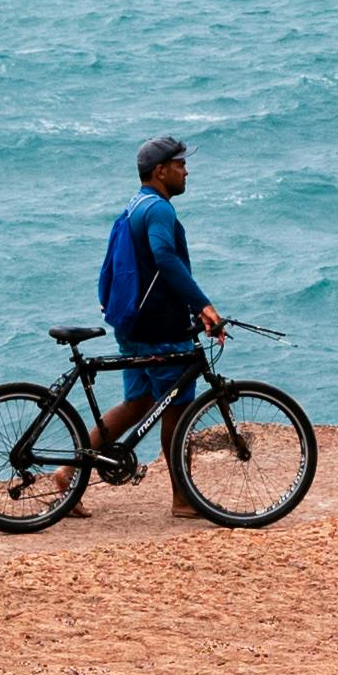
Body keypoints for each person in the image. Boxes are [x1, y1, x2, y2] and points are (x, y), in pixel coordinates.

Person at [93, 134, 223, 481]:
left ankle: (67, 473)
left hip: (133, 323)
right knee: (178, 409)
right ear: (161, 171)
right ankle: (183, 497)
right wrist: (203, 304)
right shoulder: (160, 210)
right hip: (159, 327)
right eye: (180, 165)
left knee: (137, 402)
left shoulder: (136, 204)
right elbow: (164, 256)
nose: (186, 171)